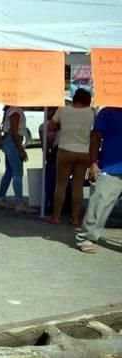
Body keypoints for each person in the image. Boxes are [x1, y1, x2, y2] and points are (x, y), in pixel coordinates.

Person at [75, 106, 122, 254]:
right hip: (111, 167)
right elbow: (95, 137)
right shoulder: (108, 112)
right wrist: (93, 163)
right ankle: (86, 237)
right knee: (100, 203)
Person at [47, 89, 95, 226]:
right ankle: (75, 219)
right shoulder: (91, 112)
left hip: (65, 150)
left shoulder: (63, 110)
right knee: (78, 186)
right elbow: (95, 131)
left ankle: (56, 217)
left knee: (60, 184)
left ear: (74, 98)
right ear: (87, 100)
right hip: (84, 152)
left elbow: (51, 127)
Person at [0, 105, 33, 213]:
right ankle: (19, 203)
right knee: (18, 172)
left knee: (9, 172)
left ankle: (1, 199)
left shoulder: (11, 110)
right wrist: (20, 149)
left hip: (8, 142)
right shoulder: (16, 111)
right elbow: (14, 131)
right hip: (13, 142)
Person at [40, 107, 61, 217]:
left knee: (50, 181)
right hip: (72, 152)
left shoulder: (43, 127)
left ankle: (49, 204)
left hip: (55, 153)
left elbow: (45, 145)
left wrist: (47, 157)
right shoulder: (62, 124)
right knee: (66, 182)